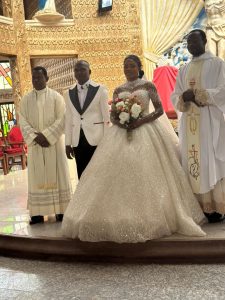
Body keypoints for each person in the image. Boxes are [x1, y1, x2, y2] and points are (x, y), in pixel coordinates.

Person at [62, 55, 206, 243]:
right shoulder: (118, 89)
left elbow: (159, 110)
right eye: (125, 66)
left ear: (139, 67)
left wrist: (140, 120)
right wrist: (122, 121)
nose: (128, 69)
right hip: (121, 132)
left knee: (147, 172)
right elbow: (112, 116)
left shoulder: (148, 86)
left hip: (147, 131)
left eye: (131, 66)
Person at [171, 29, 225, 223]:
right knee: (194, 161)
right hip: (190, 124)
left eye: (194, 42)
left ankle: (217, 208)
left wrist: (201, 94)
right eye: (188, 43)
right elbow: (175, 94)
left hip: (210, 123)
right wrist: (182, 98)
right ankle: (200, 207)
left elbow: (223, 91)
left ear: (204, 41)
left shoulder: (218, 64)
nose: (191, 46)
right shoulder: (184, 69)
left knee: (210, 160)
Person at [20, 66, 72, 225]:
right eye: (33, 78)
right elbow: (22, 120)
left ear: (47, 78)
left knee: (58, 175)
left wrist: (47, 136)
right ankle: (37, 213)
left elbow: (62, 119)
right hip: (36, 145)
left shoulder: (57, 97)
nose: (36, 80)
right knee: (36, 177)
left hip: (53, 144)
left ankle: (61, 211)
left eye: (39, 77)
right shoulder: (26, 100)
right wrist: (36, 137)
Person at [64, 60, 110, 179]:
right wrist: (68, 143)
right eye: (76, 70)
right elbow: (68, 119)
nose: (79, 72)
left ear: (89, 71)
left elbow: (107, 118)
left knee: (98, 174)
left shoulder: (101, 90)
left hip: (97, 138)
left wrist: (106, 141)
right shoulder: (67, 93)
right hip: (77, 140)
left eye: (82, 69)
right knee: (82, 174)